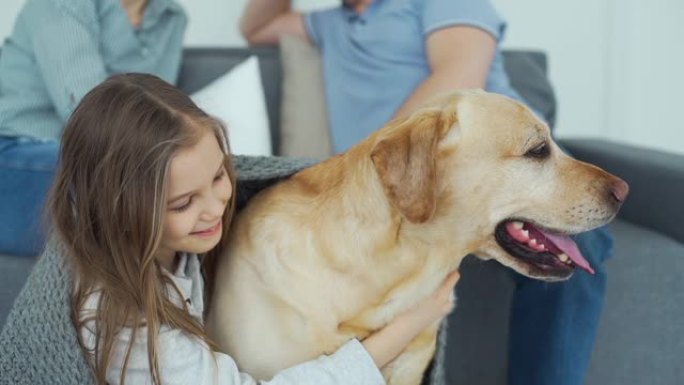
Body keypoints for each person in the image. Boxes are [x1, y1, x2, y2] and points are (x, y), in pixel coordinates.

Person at [238, 0, 615, 384]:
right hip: (392, 189)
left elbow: (459, 74)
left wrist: (395, 168)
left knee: (582, 240)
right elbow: (257, 28)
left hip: (471, 167)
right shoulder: (331, 24)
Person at [48, 72, 461, 384]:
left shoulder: (173, 244)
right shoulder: (126, 324)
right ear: (121, 211)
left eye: (218, 177)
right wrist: (410, 324)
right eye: (183, 203)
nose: (214, 208)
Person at [0, 0, 187, 256]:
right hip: (14, 146)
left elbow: (158, 107)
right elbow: (87, 112)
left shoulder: (172, 17)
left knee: (184, 176)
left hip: (97, 154)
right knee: (124, 180)